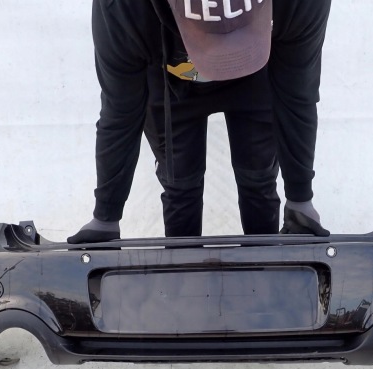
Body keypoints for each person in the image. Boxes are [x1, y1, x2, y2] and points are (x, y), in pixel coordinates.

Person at [68, 0, 332, 243]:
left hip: (256, 74)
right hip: (170, 80)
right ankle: (183, 272)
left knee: (258, 175)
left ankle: (264, 267)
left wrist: (300, 199)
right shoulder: (124, 8)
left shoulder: (300, 4)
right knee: (180, 184)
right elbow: (121, 112)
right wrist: (106, 217)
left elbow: (298, 92)